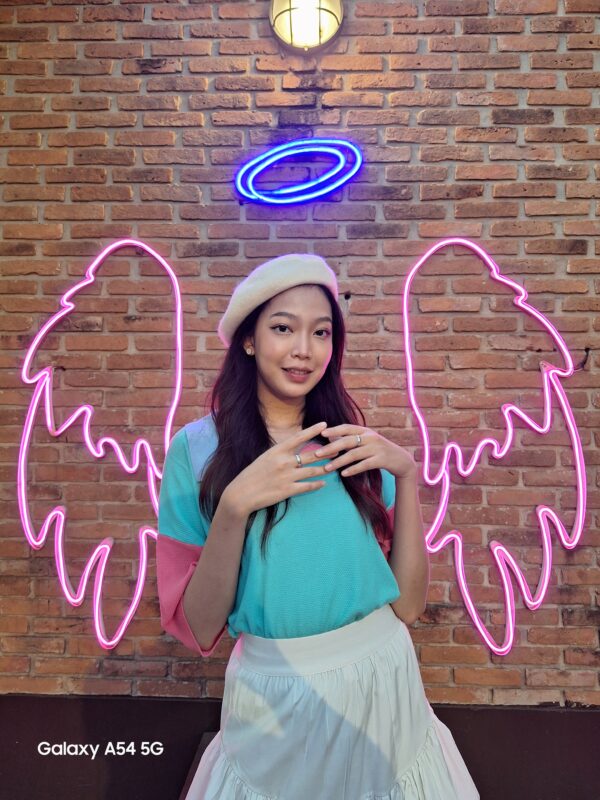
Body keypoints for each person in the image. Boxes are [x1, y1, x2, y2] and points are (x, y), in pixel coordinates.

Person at [156, 253, 480, 799]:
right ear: (249, 339)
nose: (305, 349)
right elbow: (201, 626)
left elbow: (408, 606)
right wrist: (234, 507)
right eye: (283, 328)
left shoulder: (350, 445)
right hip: (272, 695)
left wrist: (406, 472)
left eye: (321, 332)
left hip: (382, 679)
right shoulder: (196, 450)